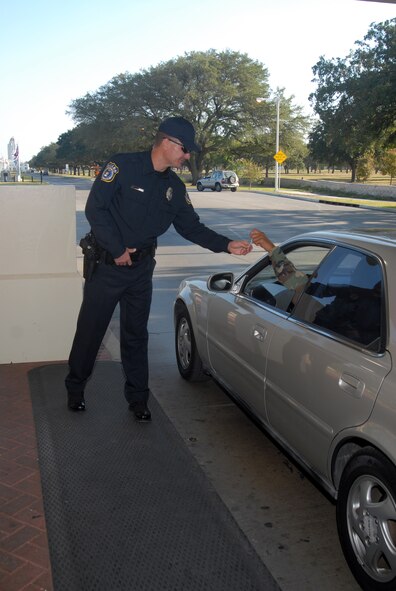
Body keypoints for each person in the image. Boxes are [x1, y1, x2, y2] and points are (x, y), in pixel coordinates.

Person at [65, 116, 252, 421]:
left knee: (136, 335)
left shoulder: (175, 189)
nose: (187, 155)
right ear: (167, 143)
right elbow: (95, 209)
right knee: (91, 331)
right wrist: (117, 249)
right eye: (185, 149)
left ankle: (138, 399)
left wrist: (227, 244)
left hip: (141, 272)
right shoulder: (122, 166)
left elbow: (192, 228)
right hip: (108, 267)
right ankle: (75, 389)